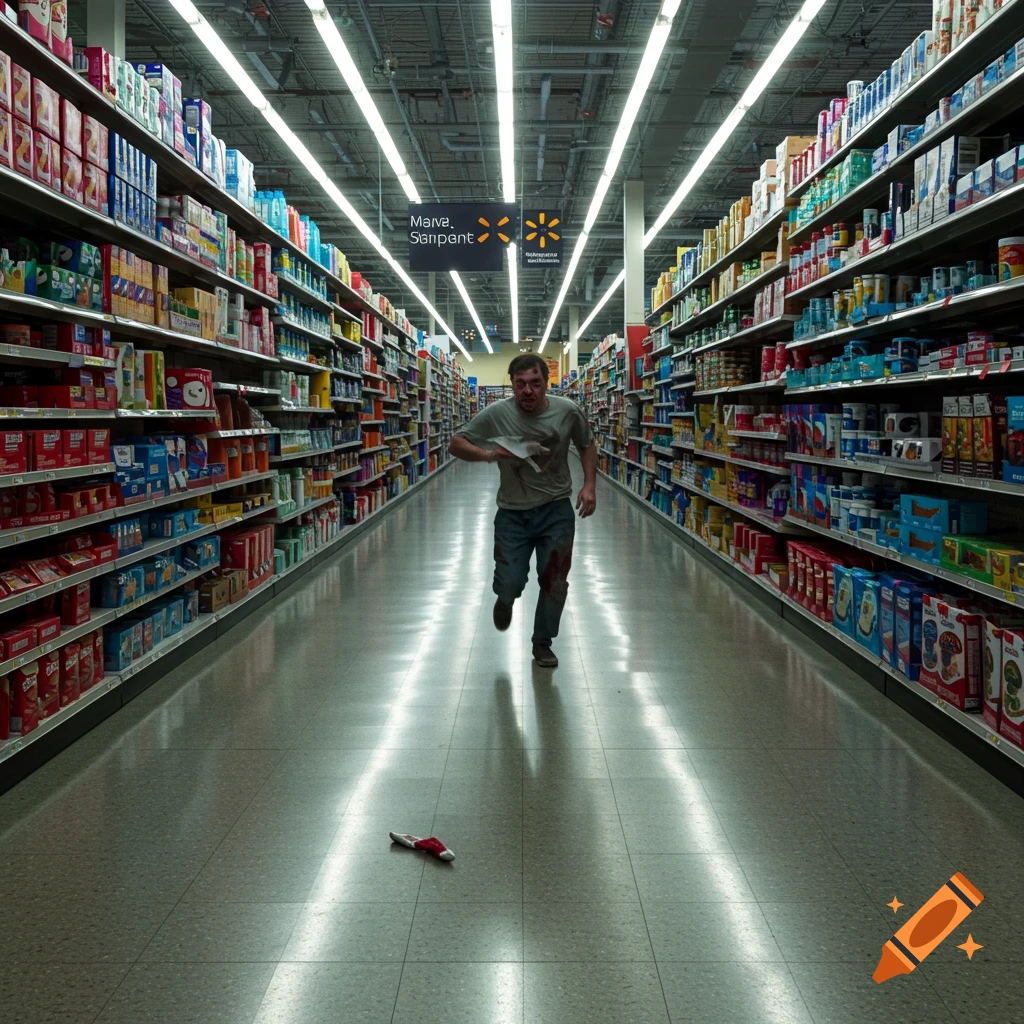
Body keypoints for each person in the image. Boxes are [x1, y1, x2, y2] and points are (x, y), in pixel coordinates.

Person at [449, 353, 597, 668]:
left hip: (556, 509)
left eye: (535, 383)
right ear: (512, 385)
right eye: (520, 384)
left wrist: (589, 485)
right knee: (512, 579)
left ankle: (542, 642)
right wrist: (490, 455)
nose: (527, 390)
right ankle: (505, 596)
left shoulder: (568, 411)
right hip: (512, 513)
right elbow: (456, 443)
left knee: (555, 579)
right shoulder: (496, 413)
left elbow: (586, 444)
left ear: (546, 383)